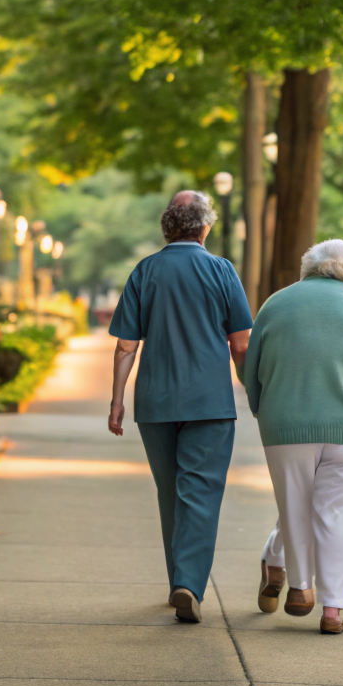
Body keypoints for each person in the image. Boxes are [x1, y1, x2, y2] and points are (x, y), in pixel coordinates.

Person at [243, 238, 343, 635]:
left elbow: (250, 374)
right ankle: (332, 611)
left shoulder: (275, 304)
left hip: (285, 426)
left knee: (295, 506)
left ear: (308, 268)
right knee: (340, 517)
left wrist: (265, 410)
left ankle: (299, 588)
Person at [108, 191, 253, 623]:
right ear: (205, 227)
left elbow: (125, 347)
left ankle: (178, 581)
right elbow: (241, 343)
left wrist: (117, 401)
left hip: (154, 401)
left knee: (171, 492)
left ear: (166, 227)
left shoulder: (146, 270)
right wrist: (254, 390)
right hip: (209, 401)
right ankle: (188, 583)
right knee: (201, 493)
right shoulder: (222, 270)